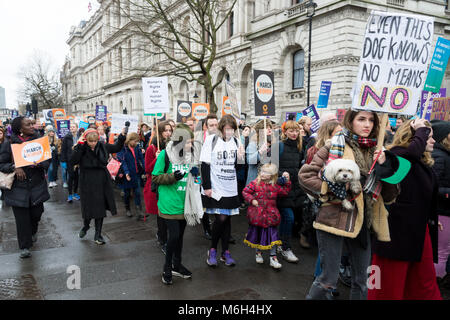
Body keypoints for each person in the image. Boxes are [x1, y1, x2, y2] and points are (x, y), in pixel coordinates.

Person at [299, 110, 399, 300]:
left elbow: (390, 195)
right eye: (361, 119)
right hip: (334, 219)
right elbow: (305, 177)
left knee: (364, 281)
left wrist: (385, 166)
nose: (367, 124)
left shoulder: (381, 152)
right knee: (328, 279)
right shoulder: (333, 145)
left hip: (365, 222)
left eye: (371, 120)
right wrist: (333, 190)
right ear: (350, 122)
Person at [369, 119, 442, 300]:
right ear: (414, 137)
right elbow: (407, 160)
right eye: (428, 136)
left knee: (423, 282)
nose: (432, 141)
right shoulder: (396, 155)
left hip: (418, 231)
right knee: (388, 287)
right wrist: (421, 131)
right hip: (395, 235)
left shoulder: (420, 161)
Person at [152, 124, 200, 285]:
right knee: (173, 236)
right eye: (187, 142)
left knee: (179, 237)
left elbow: (196, 176)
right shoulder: (165, 154)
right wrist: (173, 176)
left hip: (185, 203)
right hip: (169, 202)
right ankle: (167, 267)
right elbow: (155, 177)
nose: (190, 145)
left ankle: (177, 265)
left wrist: (196, 174)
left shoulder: (191, 155)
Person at [0, 116, 51, 258]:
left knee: (36, 213)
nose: (32, 126)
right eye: (28, 125)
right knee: (22, 220)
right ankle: (24, 246)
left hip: (36, 186)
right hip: (18, 188)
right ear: (20, 129)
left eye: (32, 124)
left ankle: (33, 231)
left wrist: (40, 164)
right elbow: (1, 164)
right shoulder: (9, 144)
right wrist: (14, 167)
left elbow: (48, 162)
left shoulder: (39, 140)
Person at [201, 115, 245, 267]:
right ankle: (213, 249)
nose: (229, 132)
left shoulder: (237, 142)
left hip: (230, 187)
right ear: (221, 129)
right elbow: (205, 164)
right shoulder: (211, 141)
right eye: (226, 129)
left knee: (227, 220)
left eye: (232, 129)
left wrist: (240, 158)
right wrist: (206, 187)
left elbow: (238, 168)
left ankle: (225, 252)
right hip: (216, 186)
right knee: (221, 218)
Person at [71, 127, 126, 245]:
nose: (93, 143)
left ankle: (98, 234)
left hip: (102, 179)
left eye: (95, 141)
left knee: (100, 207)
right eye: (90, 141)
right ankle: (86, 226)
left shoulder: (103, 146)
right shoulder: (81, 147)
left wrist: (122, 135)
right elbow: (73, 160)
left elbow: (116, 147)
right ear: (86, 140)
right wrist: (80, 146)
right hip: (87, 181)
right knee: (88, 208)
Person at [242, 163, 291, 269]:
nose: (262, 174)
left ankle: (273, 257)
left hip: (271, 215)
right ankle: (258, 253)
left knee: (273, 236)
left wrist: (287, 182)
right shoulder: (255, 183)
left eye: (266, 172)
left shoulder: (275, 185)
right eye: (262, 171)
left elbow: (285, 192)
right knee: (258, 235)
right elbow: (245, 192)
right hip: (257, 215)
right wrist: (252, 200)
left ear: (272, 175)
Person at [276, 120, 303, 263]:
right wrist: (282, 173)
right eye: (291, 131)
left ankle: (279, 243)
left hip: (296, 189)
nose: (294, 133)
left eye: (296, 130)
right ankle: (285, 248)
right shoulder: (278, 146)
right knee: (288, 217)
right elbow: (268, 166)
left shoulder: (300, 147)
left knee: (287, 219)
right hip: (281, 189)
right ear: (285, 132)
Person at [143, 120, 173, 252]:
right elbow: (148, 169)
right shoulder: (152, 148)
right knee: (161, 215)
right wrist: (157, 158)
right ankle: (163, 239)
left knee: (169, 214)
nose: (168, 133)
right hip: (158, 184)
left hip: (171, 184)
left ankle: (167, 237)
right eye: (166, 130)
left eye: (170, 130)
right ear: (160, 133)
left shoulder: (174, 146)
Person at [431, 120, 450, 288]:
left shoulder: (445, 154)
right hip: (441, 211)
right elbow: (431, 187)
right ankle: (435, 286)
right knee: (441, 252)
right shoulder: (439, 156)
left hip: (445, 210)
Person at [117, 132, 146, 220]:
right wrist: (126, 172)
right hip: (126, 174)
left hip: (136, 173)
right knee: (127, 193)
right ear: (130, 140)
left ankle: (139, 211)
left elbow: (141, 158)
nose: (136, 143)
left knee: (137, 192)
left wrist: (145, 169)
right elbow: (123, 161)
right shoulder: (123, 148)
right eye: (135, 141)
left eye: (137, 141)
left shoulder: (136, 147)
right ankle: (127, 209)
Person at [246, 119, 273, 185]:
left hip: (268, 183)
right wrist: (260, 151)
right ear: (259, 131)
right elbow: (250, 161)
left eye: (270, 128)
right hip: (255, 183)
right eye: (266, 128)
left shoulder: (273, 144)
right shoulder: (253, 144)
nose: (269, 130)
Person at [61, 123, 81, 203]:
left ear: (77, 128)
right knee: (71, 177)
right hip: (70, 160)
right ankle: (70, 194)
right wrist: (63, 161)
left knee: (77, 177)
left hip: (78, 160)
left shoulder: (80, 137)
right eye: (71, 127)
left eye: (73, 127)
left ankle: (75, 193)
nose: (72, 128)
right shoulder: (67, 137)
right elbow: (63, 150)